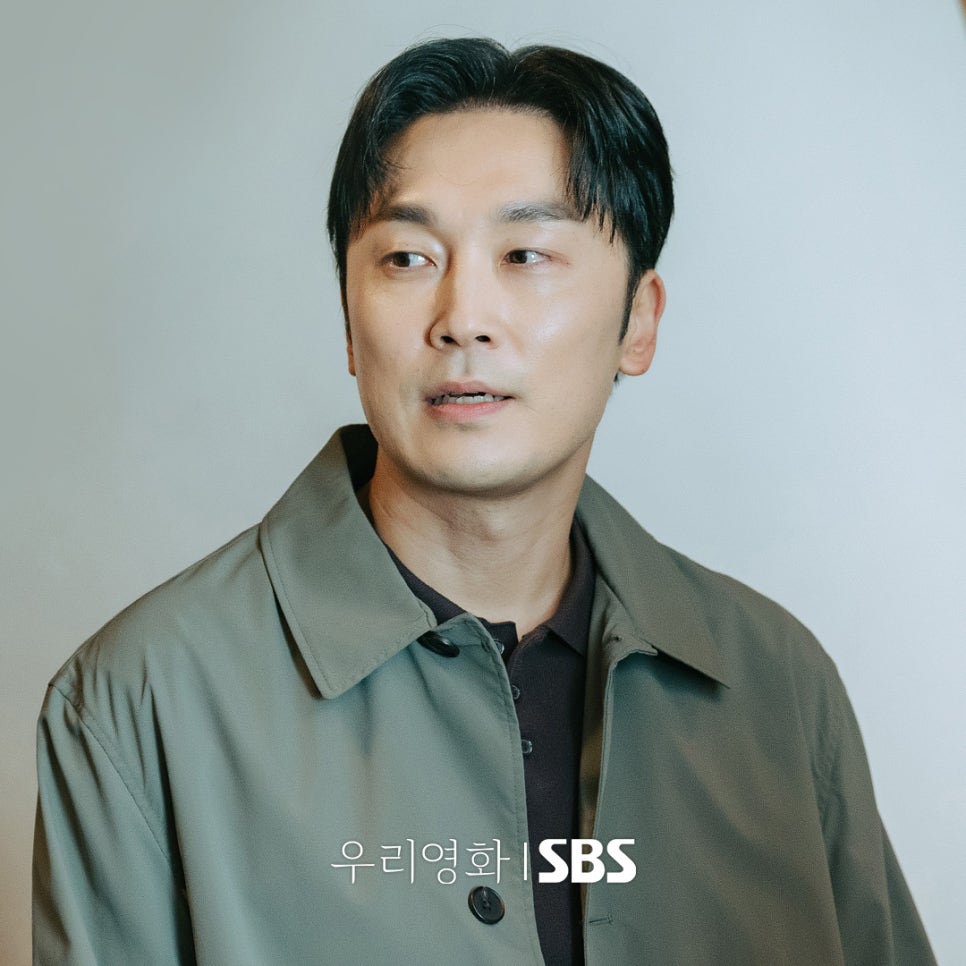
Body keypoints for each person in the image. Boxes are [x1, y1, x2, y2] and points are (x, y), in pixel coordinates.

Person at [33, 37, 936, 966]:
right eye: (407, 258)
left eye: (525, 253)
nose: (463, 318)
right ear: (348, 320)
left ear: (639, 320)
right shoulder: (141, 698)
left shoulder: (776, 684)